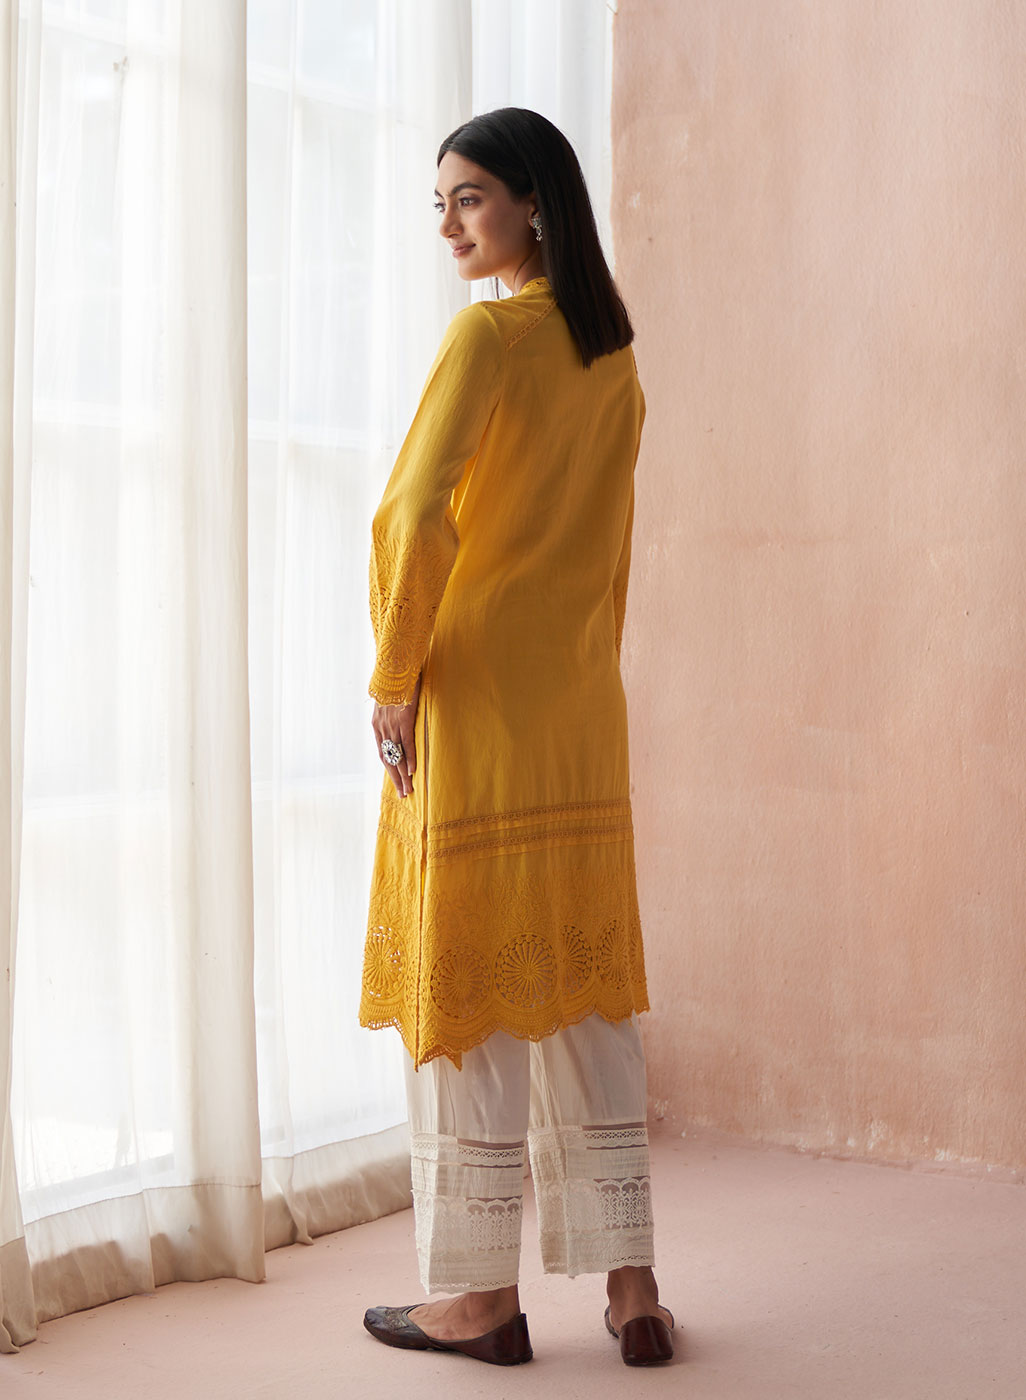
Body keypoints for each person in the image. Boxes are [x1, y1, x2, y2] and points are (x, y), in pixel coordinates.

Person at [358, 107, 673, 1368]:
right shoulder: (614, 353)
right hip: (578, 702)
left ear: (534, 201)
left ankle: (479, 1299)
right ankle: (633, 1286)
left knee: (473, 991)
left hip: (480, 694)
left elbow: (414, 509)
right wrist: (591, 671)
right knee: (585, 990)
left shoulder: (488, 337)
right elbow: (612, 550)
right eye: (439, 202)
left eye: (468, 197)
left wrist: (395, 673)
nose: (446, 224)